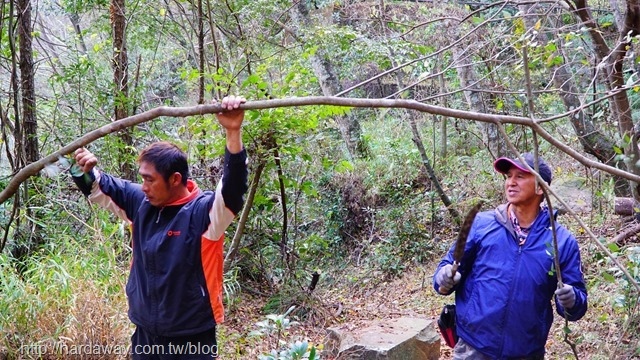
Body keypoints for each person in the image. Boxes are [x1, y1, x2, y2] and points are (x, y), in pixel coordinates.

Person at [71, 96, 249, 359]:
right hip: (146, 334)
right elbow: (100, 186)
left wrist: (233, 132)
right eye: (142, 178)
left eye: (149, 180)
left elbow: (232, 190)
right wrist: (84, 168)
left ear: (175, 179)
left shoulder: (204, 214)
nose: (143, 187)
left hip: (192, 339)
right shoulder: (142, 203)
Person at [433, 152, 588, 359]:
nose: (511, 183)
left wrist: (571, 300)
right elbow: (447, 268)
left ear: (540, 187)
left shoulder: (561, 241)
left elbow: (576, 306)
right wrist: (443, 277)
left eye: (520, 177)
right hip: (473, 348)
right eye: (508, 176)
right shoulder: (480, 225)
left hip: (526, 352)